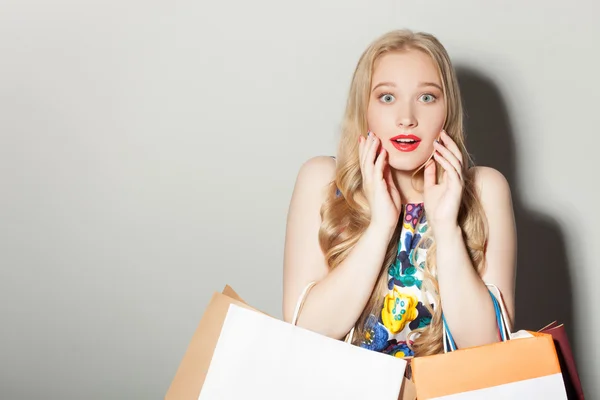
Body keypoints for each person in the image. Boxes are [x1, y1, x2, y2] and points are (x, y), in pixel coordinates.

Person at [282, 29, 517, 360]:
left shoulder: (484, 189)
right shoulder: (322, 179)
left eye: (427, 97)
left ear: (448, 110)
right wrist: (381, 225)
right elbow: (304, 332)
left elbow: (488, 351)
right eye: (387, 97)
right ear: (364, 108)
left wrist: (447, 227)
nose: (407, 119)